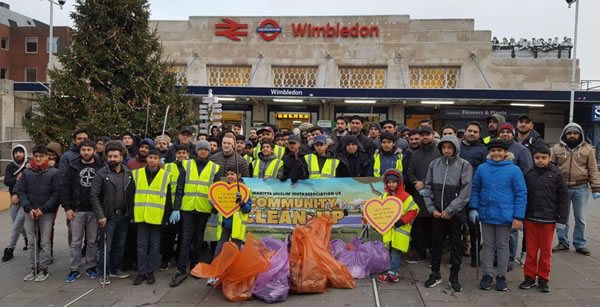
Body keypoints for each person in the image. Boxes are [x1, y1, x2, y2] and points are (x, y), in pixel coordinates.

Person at [469, 139, 527, 291]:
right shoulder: (482, 168)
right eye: (493, 151)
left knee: (502, 245)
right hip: (486, 213)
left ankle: (501, 276)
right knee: (487, 245)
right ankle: (487, 274)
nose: (496, 153)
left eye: (499, 151)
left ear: (505, 152)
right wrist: (473, 207)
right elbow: (475, 188)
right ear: (489, 152)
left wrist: (518, 216)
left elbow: (521, 193)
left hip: (505, 215)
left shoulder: (514, 170)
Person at [422, 135, 473, 292]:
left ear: (455, 148)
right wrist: (432, 209)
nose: (446, 150)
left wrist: (450, 210)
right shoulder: (434, 164)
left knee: (456, 244)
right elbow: (428, 187)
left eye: (450, 147)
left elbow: (465, 192)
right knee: (436, 243)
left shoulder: (464, 165)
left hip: (454, 214)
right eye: (444, 147)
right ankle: (435, 273)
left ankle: (454, 276)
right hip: (437, 212)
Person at [170, 140, 221, 287]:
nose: (203, 152)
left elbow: (215, 190)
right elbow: (180, 188)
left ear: (209, 152)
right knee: (185, 238)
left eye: (206, 149)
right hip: (187, 208)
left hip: (203, 208)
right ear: (196, 151)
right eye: (201, 149)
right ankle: (181, 269)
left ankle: (194, 266)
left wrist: (215, 208)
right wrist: (176, 208)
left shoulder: (214, 168)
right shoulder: (187, 164)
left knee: (199, 238)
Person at [520, 144, 568, 293]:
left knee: (546, 251)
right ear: (533, 158)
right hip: (530, 218)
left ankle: (543, 278)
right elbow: (522, 195)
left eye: (543, 158)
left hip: (548, 219)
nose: (540, 160)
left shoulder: (556, 174)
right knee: (531, 250)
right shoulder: (528, 173)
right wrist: (521, 216)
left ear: (549, 158)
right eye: (537, 158)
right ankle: (529, 276)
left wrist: (562, 219)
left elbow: (563, 198)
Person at [132, 149, 180, 285]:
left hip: (157, 217)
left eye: (155, 158)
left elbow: (168, 200)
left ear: (160, 160)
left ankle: (150, 271)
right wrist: (131, 215)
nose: (152, 160)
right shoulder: (137, 174)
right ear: (146, 159)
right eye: (150, 157)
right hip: (141, 215)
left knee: (154, 246)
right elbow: (131, 195)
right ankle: (141, 272)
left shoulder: (166, 176)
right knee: (141, 246)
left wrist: (166, 217)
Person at [551, 123, 600, 256]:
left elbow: (593, 169)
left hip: (581, 188)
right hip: (562, 188)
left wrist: (596, 187)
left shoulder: (589, 149)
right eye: (569, 133)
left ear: (580, 134)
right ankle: (563, 242)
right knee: (562, 217)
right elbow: (552, 168)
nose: (572, 135)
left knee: (581, 218)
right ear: (565, 134)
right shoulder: (556, 149)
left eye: (575, 133)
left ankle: (580, 244)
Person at [91, 141, 136, 285]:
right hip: (107, 217)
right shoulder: (101, 174)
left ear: (122, 157)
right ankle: (104, 272)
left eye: (115, 156)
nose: (112, 159)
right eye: (110, 156)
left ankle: (116, 269)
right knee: (106, 247)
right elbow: (94, 195)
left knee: (119, 245)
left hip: (123, 216)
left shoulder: (128, 173)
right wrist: (100, 215)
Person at [15, 144, 60, 282]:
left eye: (41, 156)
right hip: (30, 212)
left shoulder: (53, 172)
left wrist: (44, 208)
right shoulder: (27, 173)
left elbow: (57, 193)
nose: (38, 159)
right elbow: (20, 191)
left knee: (45, 242)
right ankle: (33, 268)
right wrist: (28, 208)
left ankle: (43, 268)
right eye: (36, 156)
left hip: (45, 212)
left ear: (47, 157)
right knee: (32, 242)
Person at [62, 140, 104, 283]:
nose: (86, 152)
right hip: (77, 210)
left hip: (94, 210)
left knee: (92, 241)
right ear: (80, 151)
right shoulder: (73, 166)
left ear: (94, 150)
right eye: (83, 150)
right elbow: (65, 188)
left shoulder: (100, 166)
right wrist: (67, 207)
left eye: (89, 149)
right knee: (76, 242)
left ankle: (91, 266)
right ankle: (74, 268)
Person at [206, 167, 253, 286]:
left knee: (235, 251)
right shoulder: (222, 190)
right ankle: (214, 274)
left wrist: (241, 202)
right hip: (224, 225)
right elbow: (217, 210)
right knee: (219, 249)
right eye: (228, 174)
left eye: (232, 174)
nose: (230, 176)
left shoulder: (245, 190)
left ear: (239, 175)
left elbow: (247, 209)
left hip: (237, 227)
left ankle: (232, 274)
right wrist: (214, 204)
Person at [498, 122, 533, 269]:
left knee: (512, 231)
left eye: (508, 132)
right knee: (497, 229)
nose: (505, 134)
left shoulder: (521, 150)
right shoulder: (495, 148)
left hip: (512, 195)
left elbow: (528, 170)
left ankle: (509, 259)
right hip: (497, 195)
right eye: (502, 132)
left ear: (513, 133)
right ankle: (497, 257)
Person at [378, 169, 419, 283]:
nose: (391, 184)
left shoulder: (406, 196)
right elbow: (379, 212)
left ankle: (392, 274)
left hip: (400, 231)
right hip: (390, 231)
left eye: (394, 182)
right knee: (392, 251)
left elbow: (413, 210)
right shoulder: (384, 196)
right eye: (389, 182)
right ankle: (394, 270)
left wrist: (402, 221)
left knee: (395, 252)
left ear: (399, 182)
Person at [406, 126, 440, 263]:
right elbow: (410, 172)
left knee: (435, 227)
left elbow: (440, 171)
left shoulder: (439, 152)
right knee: (420, 225)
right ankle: (421, 253)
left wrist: (425, 182)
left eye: (427, 134)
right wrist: (415, 182)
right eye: (422, 135)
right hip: (419, 194)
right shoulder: (415, 154)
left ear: (433, 135)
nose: (424, 137)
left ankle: (434, 254)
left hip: (435, 194)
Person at [459, 121, 488, 266]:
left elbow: (485, 171)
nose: (471, 134)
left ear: (479, 135)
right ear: (465, 132)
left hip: (474, 193)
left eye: (475, 132)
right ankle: (457, 254)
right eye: (469, 130)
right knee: (456, 226)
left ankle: (475, 257)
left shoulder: (483, 150)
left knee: (474, 227)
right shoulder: (457, 147)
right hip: (457, 192)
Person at [160, 144, 189, 271]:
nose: (181, 155)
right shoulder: (168, 167)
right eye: (179, 153)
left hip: (185, 206)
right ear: (175, 154)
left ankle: (179, 259)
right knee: (168, 236)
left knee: (183, 236)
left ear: (188, 154)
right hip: (170, 207)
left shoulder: (191, 167)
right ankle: (166, 259)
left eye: (184, 153)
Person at [2, 144, 29, 262]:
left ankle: (10, 248)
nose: (18, 154)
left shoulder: (29, 165)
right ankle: (26, 238)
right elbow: (7, 181)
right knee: (16, 224)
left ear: (24, 153)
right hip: (14, 200)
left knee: (17, 224)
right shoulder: (10, 167)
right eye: (16, 152)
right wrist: (16, 179)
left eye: (20, 152)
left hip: (25, 200)